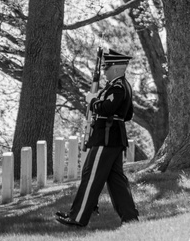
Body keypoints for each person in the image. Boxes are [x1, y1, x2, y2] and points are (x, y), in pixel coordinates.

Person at [56, 49, 139, 227]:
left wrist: (93, 101)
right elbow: (128, 114)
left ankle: (77, 217)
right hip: (112, 138)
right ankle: (130, 218)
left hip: (107, 138)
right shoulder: (119, 86)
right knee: (116, 181)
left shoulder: (118, 87)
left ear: (117, 68)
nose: (104, 70)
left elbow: (107, 109)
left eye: (107, 66)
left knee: (91, 176)